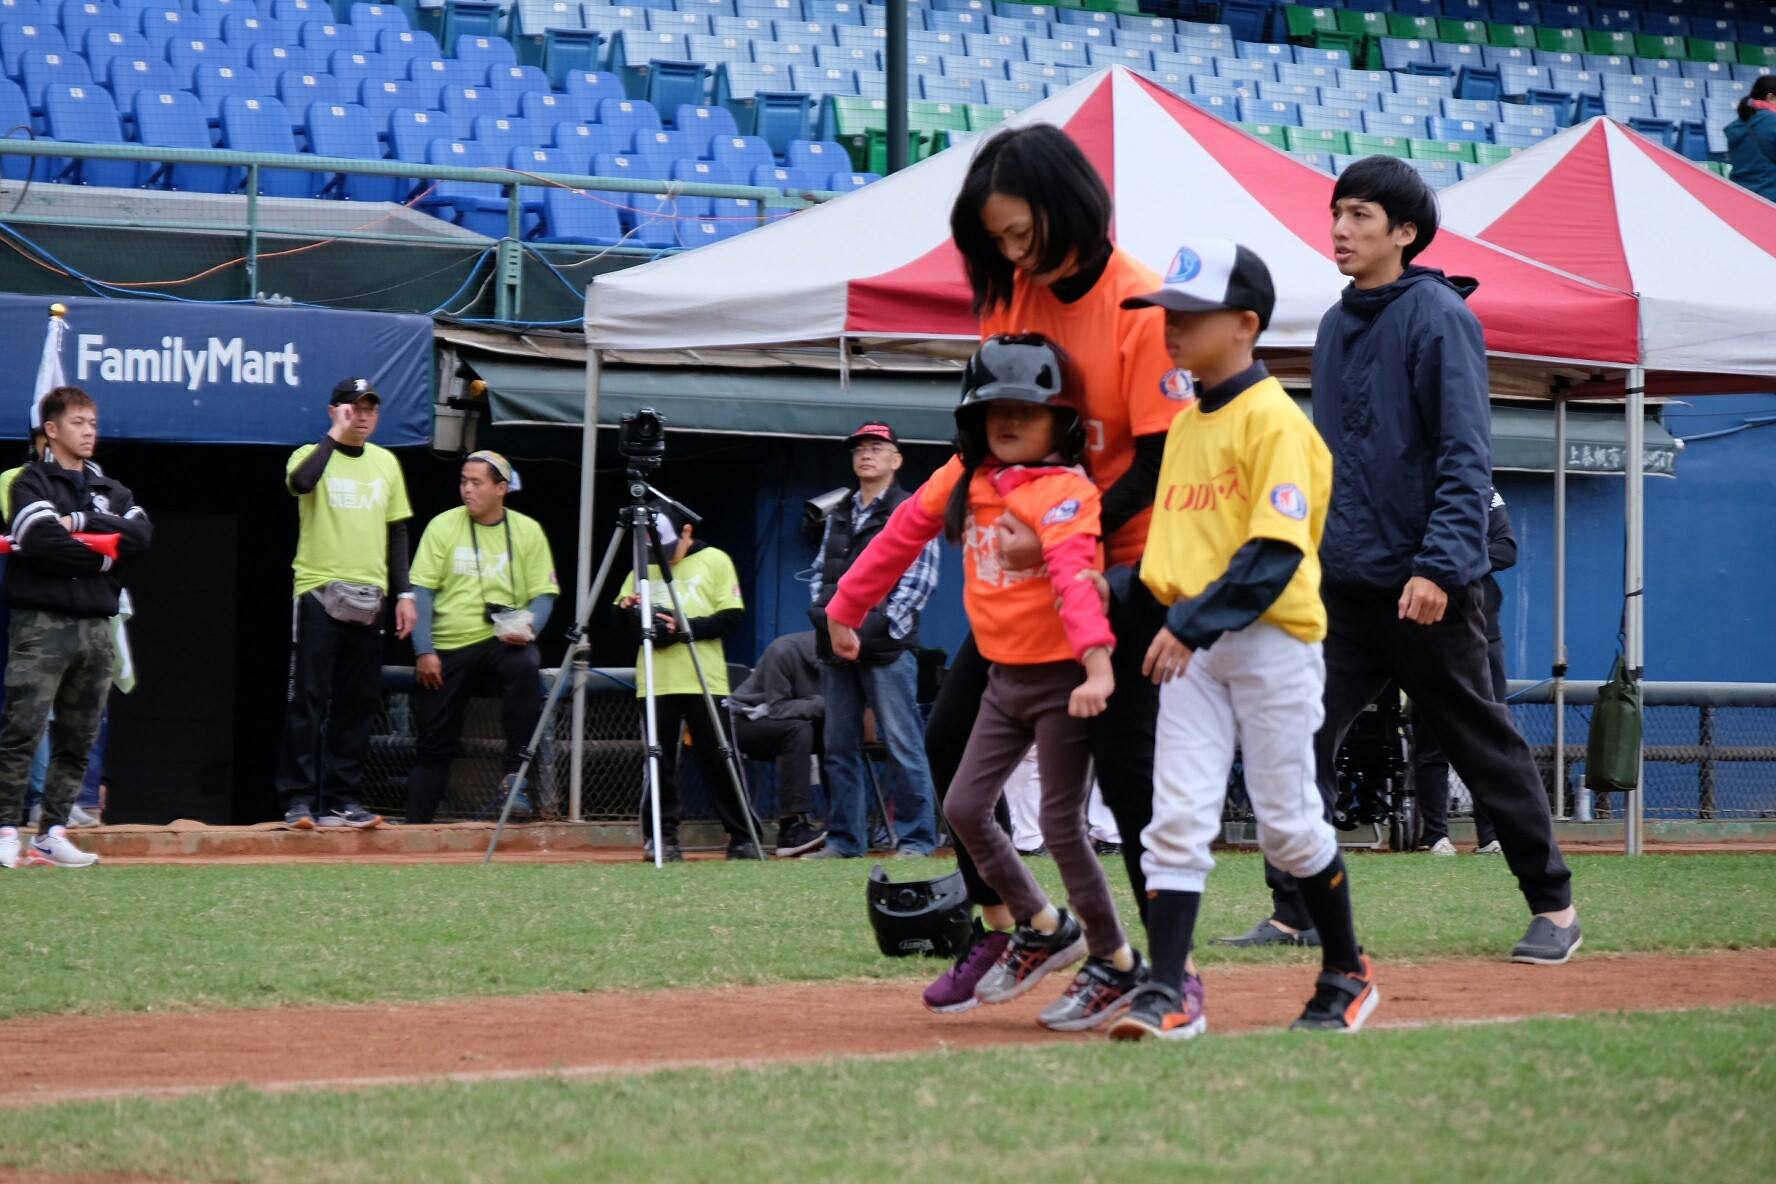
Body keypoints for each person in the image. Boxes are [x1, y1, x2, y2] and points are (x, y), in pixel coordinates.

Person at [1218, 157, 1580, 966]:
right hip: (1344, 584)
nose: (1341, 229)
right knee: (1292, 733)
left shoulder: (1439, 316)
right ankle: (1296, 910)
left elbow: (1464, 455)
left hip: (1429, 585)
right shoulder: (1338, 322)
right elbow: (1332, 460)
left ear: (1404, 232)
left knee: (1482, 741)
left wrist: (1440, 567)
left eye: (1360, 216)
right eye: (1336, 213)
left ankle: (1554, 907)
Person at [922, 123, 1183, 1008]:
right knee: (946, 744)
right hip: (1026, 581)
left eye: (1020, 233)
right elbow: (987, 442)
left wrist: (1071, 529)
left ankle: (1162, 975)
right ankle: (1029, 928)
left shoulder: (1142, 300)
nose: (1010, 253)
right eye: (994, 241)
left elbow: (1158, 458)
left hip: (1124, 570)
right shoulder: (1012, 301)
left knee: (1128, 779)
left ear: (1065, 201)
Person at [826, 334, 1145, 1033]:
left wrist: (1096, 663)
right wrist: (845, 607)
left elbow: (1074, 577)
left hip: (1064, 680)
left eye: (1025, 412)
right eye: (993, 410)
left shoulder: (1067, 492)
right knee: (966, 807)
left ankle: (1117, 960)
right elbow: (900, 535)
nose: (1007, 422)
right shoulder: (964, 478)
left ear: (1060, 423)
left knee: (1063, 827)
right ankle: (1039, 922)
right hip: (1004, 677)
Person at [1104, 238, 1376, 1041]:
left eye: (1189, 315)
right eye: (1166, 313)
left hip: (1270, 645)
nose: (1169, 328)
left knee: (1288, 822)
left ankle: (1346, 971)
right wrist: (1113, 590)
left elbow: (1274, 551)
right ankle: (1169, 992)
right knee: (1177, 819)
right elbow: (1178, 560)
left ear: (1246, 324)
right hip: (1194, 647)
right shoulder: (1187, 423)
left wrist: (1187, 623)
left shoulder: (1276, 423)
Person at [0, 387, 151, 869]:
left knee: (78, 737)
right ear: (52, 429)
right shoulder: (29, 482)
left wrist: (83, 521)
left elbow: (141, 537)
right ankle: (6, 830)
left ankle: (52, 832)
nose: (90, 431)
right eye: (79, 422)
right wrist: (103, 555)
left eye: (93, 422)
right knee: (21, 729)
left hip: (97, 629)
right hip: (42, 625)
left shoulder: (111, 488)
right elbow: (39, 540)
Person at [275, 378, 415, 831]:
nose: (365, 416)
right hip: (318, 590)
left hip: (369, 596)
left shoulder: (387, 463)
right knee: (308, 699)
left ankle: (342, 799)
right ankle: (298, 799)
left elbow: (397, 531)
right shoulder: (309, 454)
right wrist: (333, 436)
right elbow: (301, 482)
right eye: (355, 408)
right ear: (336, 411)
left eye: (371, 408)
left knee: (358, 702)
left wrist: (405, 593)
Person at [803, 421, 940, 859]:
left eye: (877, 448)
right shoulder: (839, 509)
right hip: (834, 641)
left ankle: (917, 840)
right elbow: (821, 571)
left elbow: (920, 581)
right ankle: (845, 841)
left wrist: (879, 630)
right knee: (838, 745)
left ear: (896, 460)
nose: (866, 454)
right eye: (860, 448)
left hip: (886, 648)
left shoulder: (911, 506)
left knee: (903, 744)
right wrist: (827, 620)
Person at [405, 451, 558, 824]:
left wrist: (529, 627)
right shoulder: (442, 525)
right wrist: (424, 649)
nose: (466, 489)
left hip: (502, 640)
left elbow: (544, 593)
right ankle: (416, 825)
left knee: (526, 664)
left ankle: (514, 779)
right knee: (433, 742)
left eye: (476, 483)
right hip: (449, 643)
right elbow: (421, 591)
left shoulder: (527, 530)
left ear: (501, 489)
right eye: (463, 481)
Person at [614, 509, 762, 862]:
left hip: (703, 678)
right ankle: (661, 838)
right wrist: (630, 613)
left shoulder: (715, 560)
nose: (661, 557)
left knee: (720, 758)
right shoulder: (641, 566)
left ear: (687, 531)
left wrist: (682, 627)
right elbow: (618, 620)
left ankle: (743, 836)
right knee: (657, 762)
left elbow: (731, 617)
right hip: (656, 680)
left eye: (667, 548)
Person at [1413, 486, 1516, 855]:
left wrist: (1455, 559)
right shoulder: (1415, 489)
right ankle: (1436, 836)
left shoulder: (1485, 493)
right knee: (1430, 737)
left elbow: (1507, 549)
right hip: (1427, 631)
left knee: (1488, 734)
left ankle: (1490, 836)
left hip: (1483, 633)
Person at [728, 630, 826, 857]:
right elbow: (778, 709)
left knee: (834, 737)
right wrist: (824, 703)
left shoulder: (847, 658)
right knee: (798, 729)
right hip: (744, 720)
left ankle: (843, 823)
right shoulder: (783, 650)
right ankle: (791, 828)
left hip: (793, 726)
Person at [1726, 77, 1776, 202]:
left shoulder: (1738, 124)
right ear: (1771, 98)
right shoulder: (1771, 122)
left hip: (1739, 195)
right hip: (1769, 198)